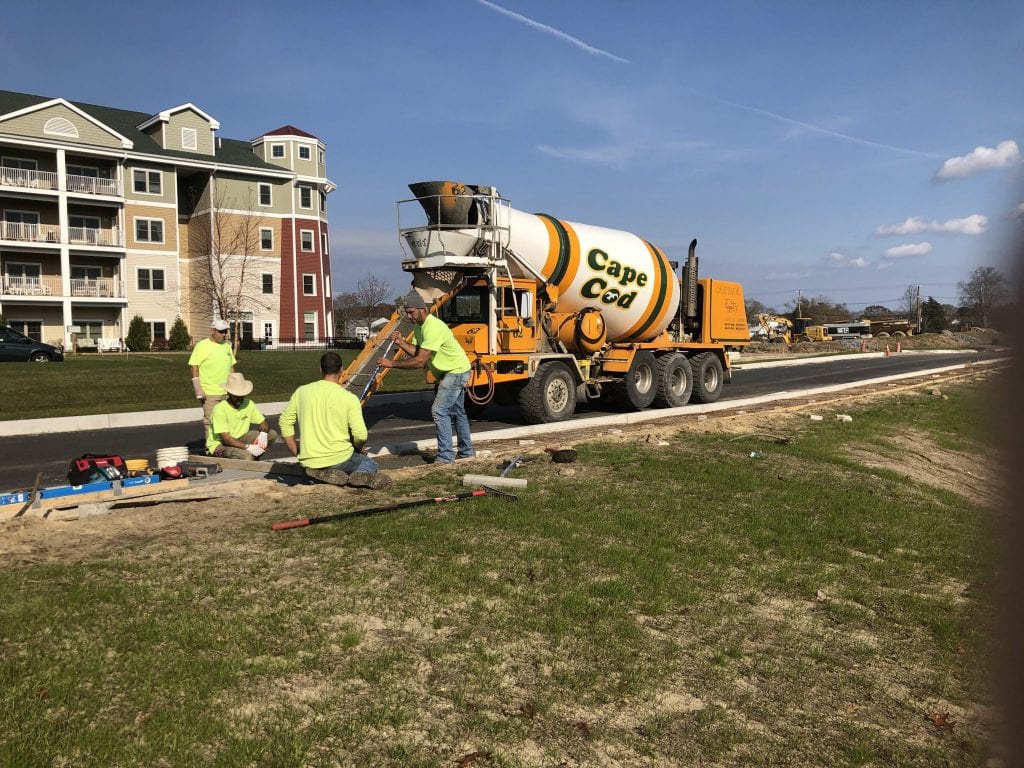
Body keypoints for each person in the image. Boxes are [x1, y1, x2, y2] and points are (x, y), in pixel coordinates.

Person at [376, 290, 474, 464]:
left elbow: (420, 361)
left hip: (456, 371)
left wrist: (390, 363)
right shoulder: (419, 328)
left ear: (422, 309)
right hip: (449, 371)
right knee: (458, 412)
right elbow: (417, 352)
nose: (409, 316)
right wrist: (401, 343)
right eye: (407, 313)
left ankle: (445, 457)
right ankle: (466, 452)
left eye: (412, 312)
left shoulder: (433, 327)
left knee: (439, 411)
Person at [279, 352, 391, 489]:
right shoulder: (348, 398)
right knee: (369, 464)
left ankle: (324, 475)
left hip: (309, 460)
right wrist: (358, 448)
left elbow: (285, 422)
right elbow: (361, 434)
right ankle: (351, 477)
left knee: (344, 462)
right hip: (339, 458)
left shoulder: (301, 392)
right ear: (342, 370)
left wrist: (297, 452)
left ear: (321, 369)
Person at [206, 373, 279, 460]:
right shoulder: (219, 409)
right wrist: (248, 447)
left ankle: (253, 458)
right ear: (228, 393)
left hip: (240, 439)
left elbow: (264, 424)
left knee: (271, 434)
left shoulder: (249, 404)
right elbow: (226, 439)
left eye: (242, 395)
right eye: (236, 396)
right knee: (245, 456)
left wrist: (263, 434)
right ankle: (245, 458)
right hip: (220, 445)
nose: (240, 399)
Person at [188, 319, 236, 439]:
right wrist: (198, 388)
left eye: (225, 331)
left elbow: (231, 367)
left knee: (227, 421)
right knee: (211, 421)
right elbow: (194, 366)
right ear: (212, 331)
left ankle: (225, 447)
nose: (224, 334)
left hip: (226, 391)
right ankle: (212, 448)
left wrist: (235, 386)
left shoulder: (227, 346)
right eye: (221, 332)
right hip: (210, 392)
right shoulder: (202, 346)